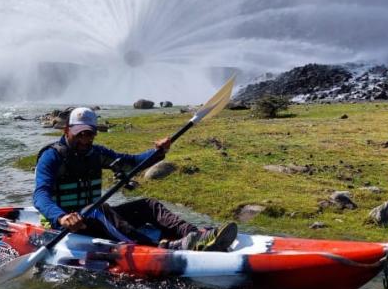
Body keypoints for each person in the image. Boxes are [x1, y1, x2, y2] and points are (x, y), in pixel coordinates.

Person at [33, 107, 238, 251]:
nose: (85, 139)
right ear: (67, 130)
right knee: (99, 209)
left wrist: (158, 152)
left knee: (148, 205)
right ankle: (158, 248)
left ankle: (196, 236)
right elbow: (40, 195)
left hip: (93, 218)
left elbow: (132, 163)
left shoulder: (96, 153)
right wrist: (61, 217)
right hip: (64, 226)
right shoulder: (52, 157)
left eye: (89, 134)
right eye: (79, 134)